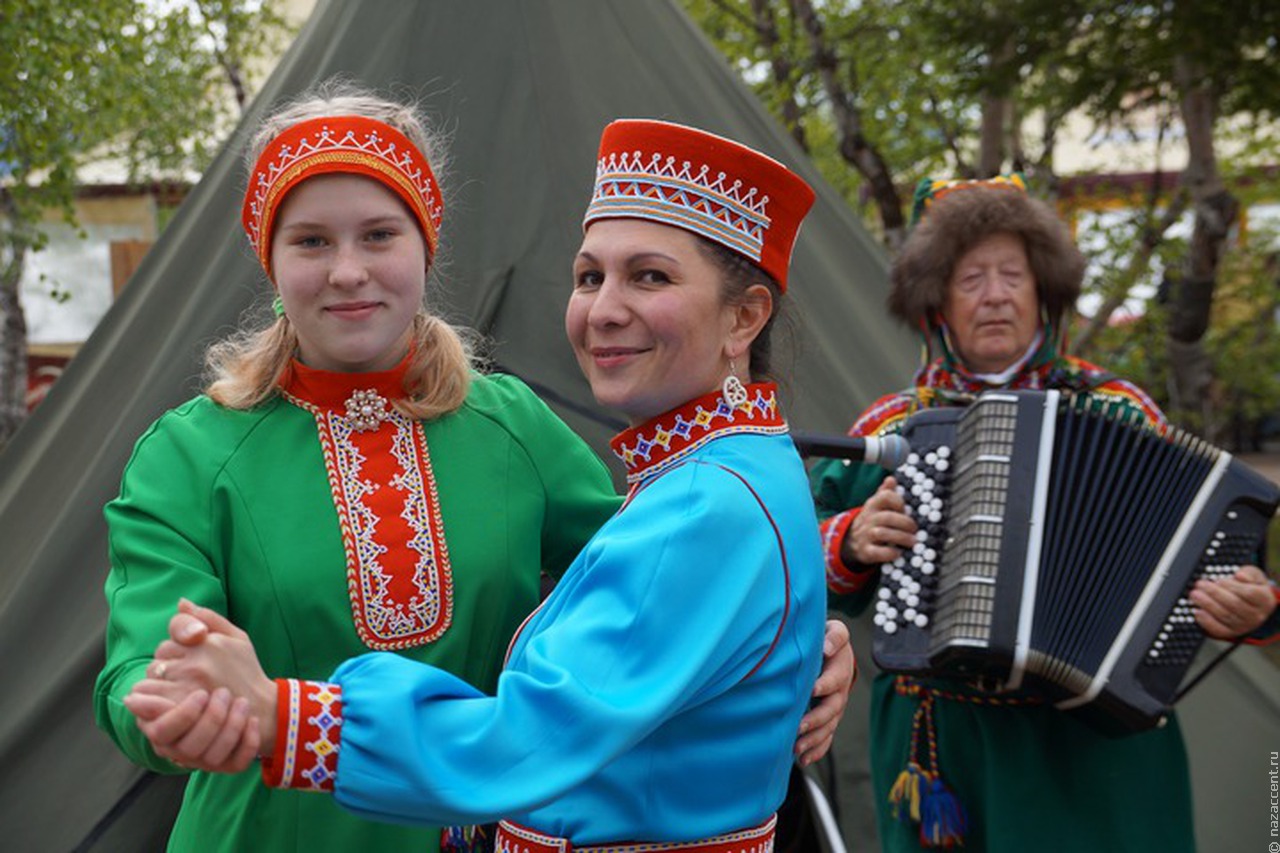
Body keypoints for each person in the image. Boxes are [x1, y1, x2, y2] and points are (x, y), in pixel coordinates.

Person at [94, 83, 852, 853]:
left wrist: (797, 643)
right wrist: (176, 711)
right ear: (270, 259)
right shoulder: (187, 453)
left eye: (380, 235)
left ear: (426, 246)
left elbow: (658, 588)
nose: (348, 271)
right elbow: (141, 667)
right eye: (312, 241)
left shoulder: (512, 424)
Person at [810, 175, 1280, 852]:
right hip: (946, 748)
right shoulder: (892, 428)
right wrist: (850, 540)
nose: (996, 294)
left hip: (1094, 748)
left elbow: (1217, 559)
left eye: (1013, 274)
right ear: (935, 301)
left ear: (1044, 291)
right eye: (971, 277)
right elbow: (796, 558)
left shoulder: (1121, 411)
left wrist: (1247, 603)